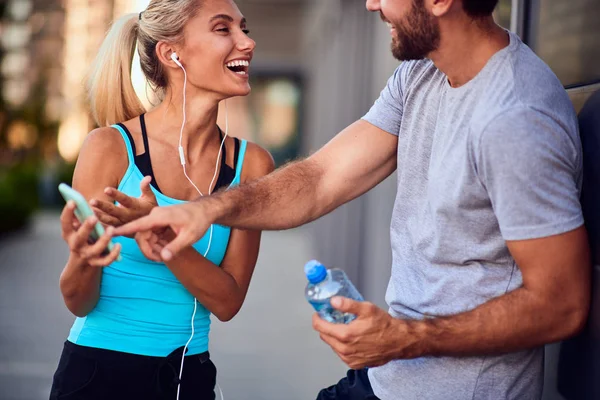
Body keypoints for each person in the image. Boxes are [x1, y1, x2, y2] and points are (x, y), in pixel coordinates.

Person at [115, 0, 592, 399]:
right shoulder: (421, 75)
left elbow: (562, 303)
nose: (371, 4)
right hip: (386, 378)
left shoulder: (515, 117)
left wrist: (405, 338)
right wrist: (208, 208)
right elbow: (320, 179)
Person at [51, 0, 274, 399]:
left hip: (187, 377)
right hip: (96, 373)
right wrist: (83, 257)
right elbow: (77, 301)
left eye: (244, 28)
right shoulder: (109, 148)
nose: (248, 42)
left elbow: (227, 302)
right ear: (172, 53)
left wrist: (164, 239)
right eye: (224, 30)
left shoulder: (252, 164)